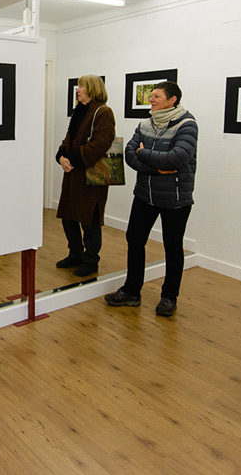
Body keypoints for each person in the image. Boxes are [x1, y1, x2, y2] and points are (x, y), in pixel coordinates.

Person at [105, 81, 197, 317]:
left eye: (156, 96)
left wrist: (143, 153)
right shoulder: (145, 123)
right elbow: (129, 155)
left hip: (175, 199)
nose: (151, 100)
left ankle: (169, 298)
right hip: (145, 195)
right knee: (135, 240)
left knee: (172, 248)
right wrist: (155, 168)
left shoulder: (187, 125)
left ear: (172, 99)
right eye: (151, 96)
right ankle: (131, 291)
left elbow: (176, 159)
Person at [55, 74, 115, 277]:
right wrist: (62, 156)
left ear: (92, 88)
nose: (77, 89)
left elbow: (100, 144)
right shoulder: (79, 111)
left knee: (89, 219)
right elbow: (68, 138)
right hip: (73, 173)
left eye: (81, 86)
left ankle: (91, 260)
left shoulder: (103, 112)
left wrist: (71, 158)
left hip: (90, 176)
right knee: (69, 217)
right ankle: (75, 254)